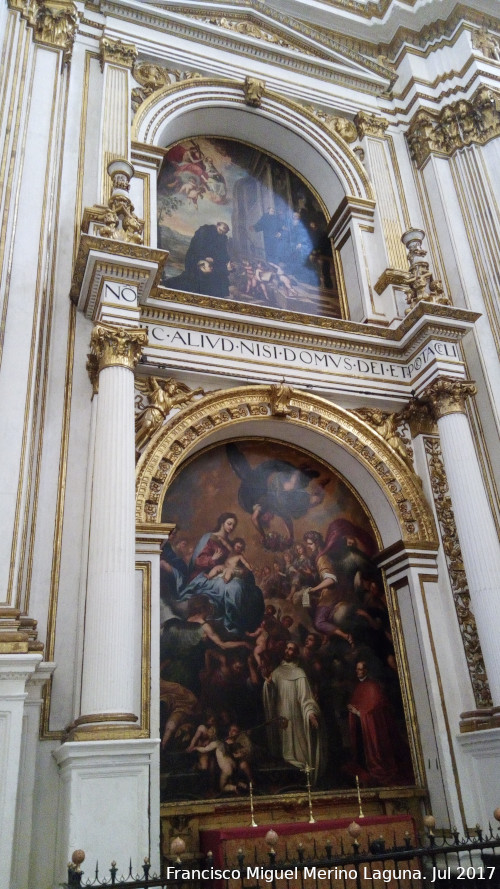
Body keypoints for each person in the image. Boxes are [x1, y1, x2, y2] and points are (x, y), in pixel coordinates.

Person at [174, 513, 264, 635]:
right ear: (222, 523)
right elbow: (198, 561)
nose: (231, 527)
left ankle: (243, 624)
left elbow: (234, 561)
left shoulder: (230, 543)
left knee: (252, 590)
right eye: (229, 523)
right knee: (234, 587)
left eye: (233, 525)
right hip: (207, 575)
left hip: (224, 573)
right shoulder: (210, 538)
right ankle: (232, 624)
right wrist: (212, 559)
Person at [262, 641, 325, 783]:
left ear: (296, 653)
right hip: (282, 716)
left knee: (301, 750)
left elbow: (305, 698)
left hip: (297, 716)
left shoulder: (300, 673)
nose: (287, 651)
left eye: (291, 649)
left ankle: (305, 774)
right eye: (286, 648)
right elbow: (271, 695)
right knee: (285, 749)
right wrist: (268, 684)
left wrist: (310, 713)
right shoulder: (277, 672)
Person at [347, 661, 412, 787]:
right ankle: (363, 766)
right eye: (357, 669)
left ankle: (373, 766)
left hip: (372, 725)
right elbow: (358, 702)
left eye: (360, 669)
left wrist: (359, 712)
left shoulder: (372, 686)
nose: (358, 672)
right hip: (362, 725)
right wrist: (352, 708)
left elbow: (375, 706)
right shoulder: (359, 686)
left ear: (366, 670)